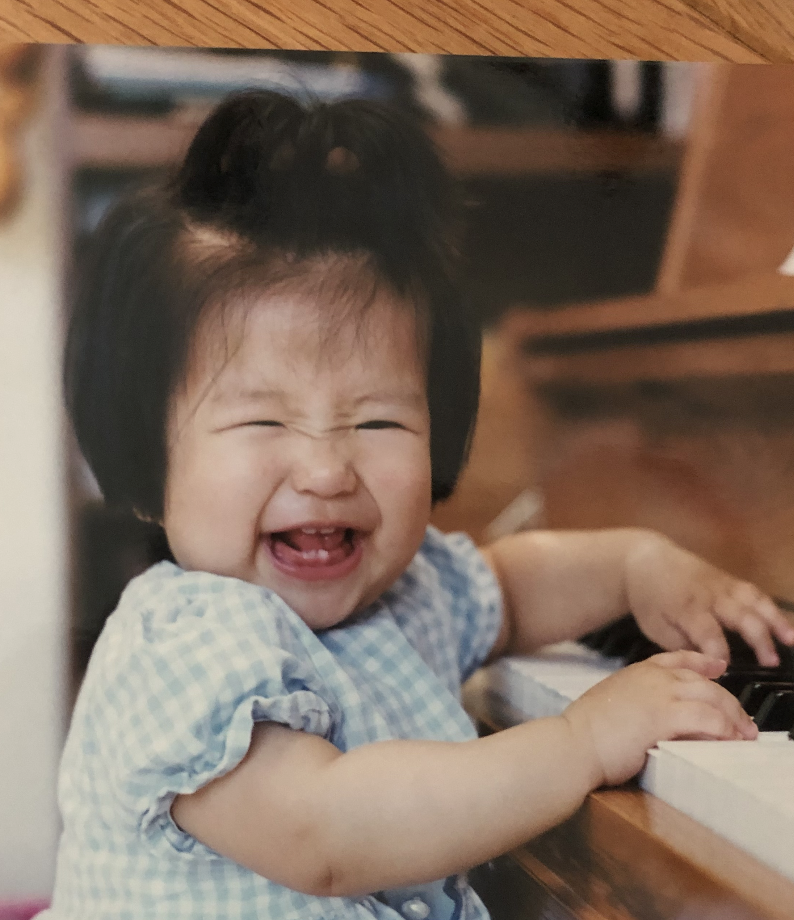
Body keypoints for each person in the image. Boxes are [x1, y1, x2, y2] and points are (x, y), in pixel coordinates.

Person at [44, 90, 794, 920]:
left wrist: (636, 564)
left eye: (377, 419)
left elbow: (512, 585)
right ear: (149, 455)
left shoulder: (408, 592)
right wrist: (578, 744)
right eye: (264, 420)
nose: (328, 469)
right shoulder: (186, 645)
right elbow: (325, 836)